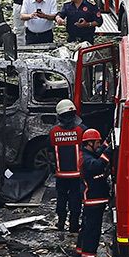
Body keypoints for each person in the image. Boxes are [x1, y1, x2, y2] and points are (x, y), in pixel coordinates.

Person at [75, 129, 111, 257]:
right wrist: (109, 153)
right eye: (97, 142)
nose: (99, 144)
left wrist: (108, 141)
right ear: (89, 143)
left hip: (94, 199)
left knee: (86, 228)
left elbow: (99, 151)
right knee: (92, 230)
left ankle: (80, 254)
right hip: (93, 199)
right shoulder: (86, 158)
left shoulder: (88, 154)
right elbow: (97, 166)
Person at [49, 99, 84, 234]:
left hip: (61, 175)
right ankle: (74, 225)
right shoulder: (81, 131)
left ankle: (61, 223)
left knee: (61, 198)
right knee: (75, 200)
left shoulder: (53, 132)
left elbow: (50, 150)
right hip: (76, 175)